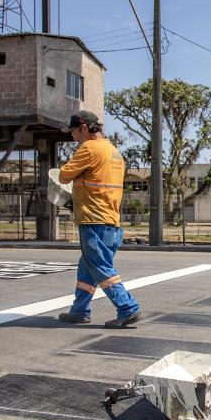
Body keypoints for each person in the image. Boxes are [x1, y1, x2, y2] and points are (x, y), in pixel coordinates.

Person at [57, 111, 141, 328]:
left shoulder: (89, 149)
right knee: (88, 267)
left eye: (74, 131)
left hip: (93, 219)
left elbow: (64, 175)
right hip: (111, 220)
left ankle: (127, 307)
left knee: (99, 266)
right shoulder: (114, 152)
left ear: (84, 127)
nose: (73, 137)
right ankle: (79, 311)